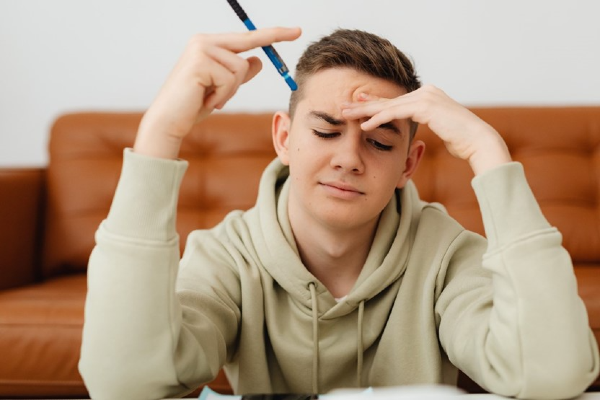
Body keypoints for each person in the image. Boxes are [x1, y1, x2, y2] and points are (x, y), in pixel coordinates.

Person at [78, 26, 599, 400]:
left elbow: (553, 377)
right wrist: (159, 135)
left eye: (377, 141)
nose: (348, 158)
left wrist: (489, 152)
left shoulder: (447, 255)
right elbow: (124, 387)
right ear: (284, 137)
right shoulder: (225, 255)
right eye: (326, 131)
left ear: (408, 164)